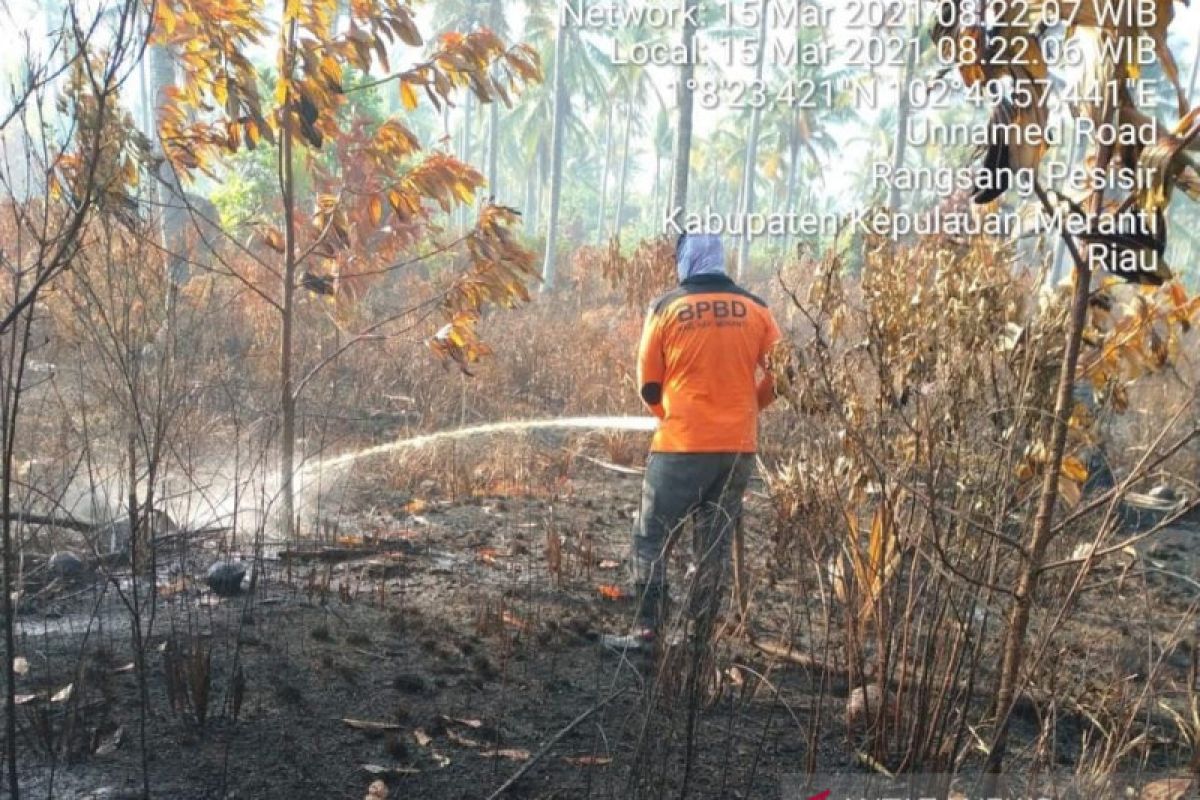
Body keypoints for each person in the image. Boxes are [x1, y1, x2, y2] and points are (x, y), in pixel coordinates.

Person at [603, 233, 783, 651]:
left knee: (651, 536)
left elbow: (648, 385)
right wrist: (748, 410)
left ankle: (649, 634)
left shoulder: (666, 307)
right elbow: (783, 374)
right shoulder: (757, 309)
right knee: (712, 547)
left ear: (686, 260)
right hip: (738, 450)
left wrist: (669, 416)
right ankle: (697, 643)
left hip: (680, 448)